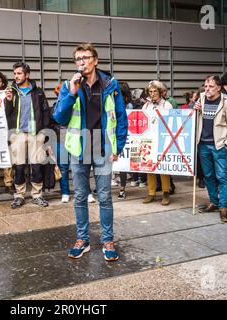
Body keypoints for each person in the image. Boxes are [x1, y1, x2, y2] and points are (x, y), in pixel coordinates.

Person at [53, 42, 128, 261]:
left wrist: (118, 146)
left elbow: (121, 117)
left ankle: (107, 240)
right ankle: (82, 240)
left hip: (103, 147)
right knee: (80, 197)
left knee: (104, 196)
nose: (82, 62)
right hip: (79, 148)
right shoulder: (69, 86)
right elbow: (59, 117)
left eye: (86, 57)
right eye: (78, 59)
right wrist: (71, 93)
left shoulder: (110, 85)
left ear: (95, 60)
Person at [5, 62, 50, 209]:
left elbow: (45, 113)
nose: (16, 76)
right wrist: (8, 101)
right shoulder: (11, 92)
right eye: (15, 74)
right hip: (17, 134)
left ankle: (37, 195)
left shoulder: (38, 92)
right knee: (18, 167)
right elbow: (5, 115)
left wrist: (45, 134)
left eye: (19, 73)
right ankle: (19, 196)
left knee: (36, 166)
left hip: (35, 134)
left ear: (27, 75)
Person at [195, 75, 227, 222]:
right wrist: (194, 110)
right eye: (206, 86)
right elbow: (193, 118)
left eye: (211, 86)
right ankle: (214, 202)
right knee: (208, 175)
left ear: (219, 87)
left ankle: (223, 206)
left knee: (222, 176)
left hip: (219, 144)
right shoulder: (200, 99)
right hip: (202, 144)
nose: (207, 89)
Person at [141, 80, 173, 206]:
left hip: (163, 140)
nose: (152, 94)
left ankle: (166, 192)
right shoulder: (146, 106)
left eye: (155, 91)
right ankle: (151, 192)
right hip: (149, 139)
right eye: (150, 91)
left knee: (163, 167)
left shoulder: (167, 105)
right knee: (150, 166)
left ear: (160, 92)